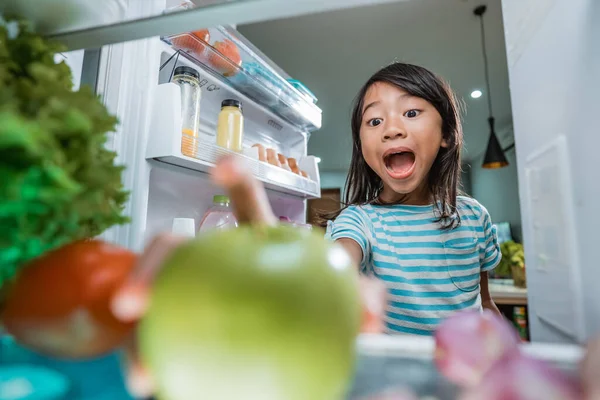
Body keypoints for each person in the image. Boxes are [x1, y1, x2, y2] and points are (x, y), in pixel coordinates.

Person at [322, 62, 502, 336]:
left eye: (411, 112)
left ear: (446, 134)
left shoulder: (475, 217)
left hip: (470, 374)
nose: (392, 129)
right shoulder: (359, 221)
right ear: (362, 147)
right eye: (374, 121)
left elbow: (486, 303)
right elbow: (338, 268)